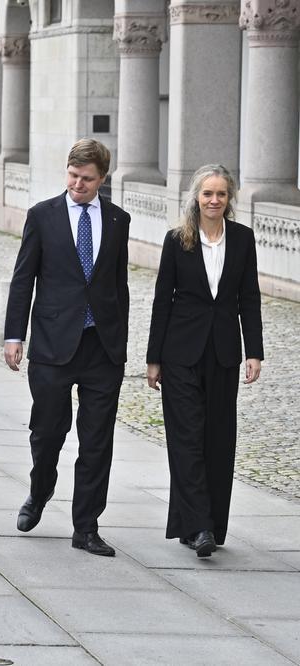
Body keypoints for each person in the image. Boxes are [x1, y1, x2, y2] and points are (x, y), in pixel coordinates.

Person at [3, 138, 130, 558]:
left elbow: (118, 285)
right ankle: (39, 493)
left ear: (102, 179)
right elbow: (24, 279)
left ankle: (86, 526)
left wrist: (122, 343)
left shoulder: (118, 220)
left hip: (102, 349)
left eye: (87, 179)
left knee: (97, 442)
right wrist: (13, 335)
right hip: (53, 347)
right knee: (48, 433)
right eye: (73, 176)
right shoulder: (43, 216)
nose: (78, 184)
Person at [146, 164, 263, 558]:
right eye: (207, 194)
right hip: (180, 352)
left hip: (224, 352)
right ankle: (199, 528)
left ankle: (207, 522)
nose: (214, 201)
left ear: (230, 199)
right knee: (186, 438)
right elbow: (163, 300)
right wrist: (153, 358)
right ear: (195, 197)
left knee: (218, 437)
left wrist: (254, 351)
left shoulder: (243, 240)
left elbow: (249, 297)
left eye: (221, 194)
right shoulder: (177, 240)